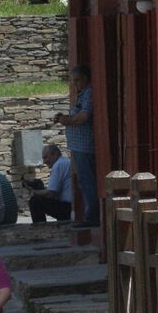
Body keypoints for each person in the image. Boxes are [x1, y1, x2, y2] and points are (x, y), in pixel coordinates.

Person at [53, 65, 98, 228]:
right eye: (73, 81)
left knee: (88, 181)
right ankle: (90, 215)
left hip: (85, 146)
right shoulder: (82, 95)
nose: (75, 84)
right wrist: (64, 117)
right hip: (79, 147)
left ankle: (92, 217)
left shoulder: (89, 93)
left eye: (77, 80)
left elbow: (84, 116)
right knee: (84, 181)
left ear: (85, 78)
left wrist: (68, 121)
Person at [29, 143, 73, 225]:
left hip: (67, 207)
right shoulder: (66, 162)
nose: (44, 161)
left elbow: (52, 193)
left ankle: (40, 229)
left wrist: (34, 192)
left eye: (46, 157)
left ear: (55, 154)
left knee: (35, 201)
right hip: (72, 206)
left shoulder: (58, 165)